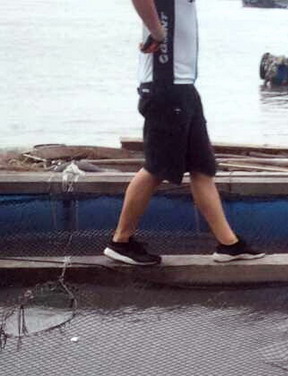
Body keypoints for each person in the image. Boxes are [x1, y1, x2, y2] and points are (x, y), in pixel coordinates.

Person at [104, 0, 264, 267]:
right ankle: (120, 241)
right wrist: (157, 32)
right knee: (156, 168)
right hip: (166, 86)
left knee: (202, 167)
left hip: (184, 87)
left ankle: (229, 244)